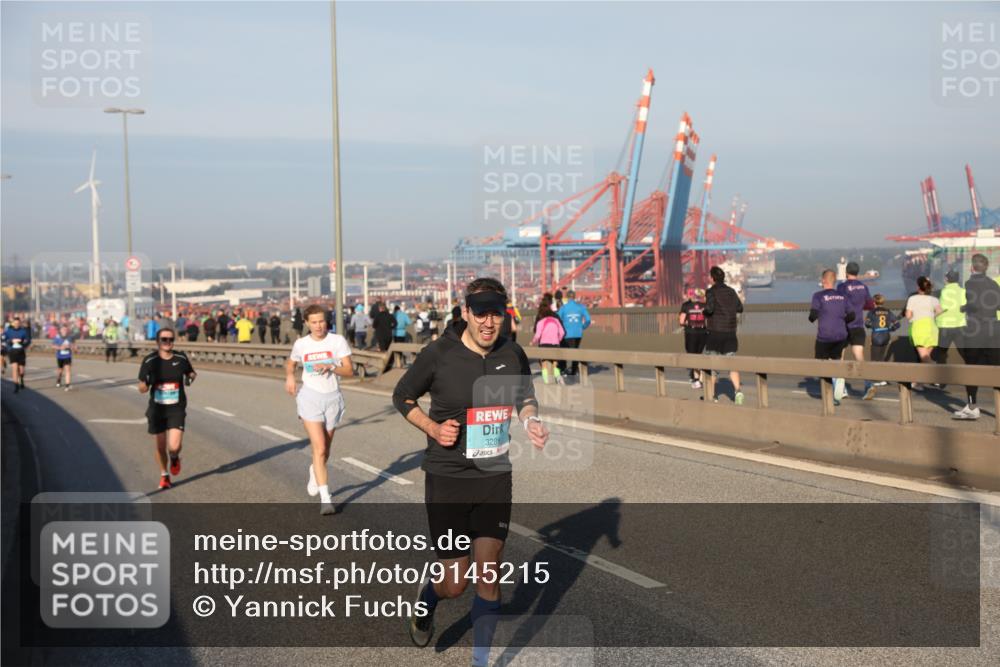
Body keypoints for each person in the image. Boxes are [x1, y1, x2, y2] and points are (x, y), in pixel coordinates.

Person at [392, 277, 548, 661]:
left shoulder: (512, 354)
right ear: (466, 313)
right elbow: (402, 395)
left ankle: (481, 660)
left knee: (489, 574)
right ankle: (429, 598)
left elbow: (526, 396)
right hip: (447, 480)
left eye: (496, 314)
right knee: (455, 583)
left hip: (494, 477)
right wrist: (432, 427)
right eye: (481, 314)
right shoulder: (439, 354)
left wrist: (529, 420)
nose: (489, 323)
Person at [285, 304, 353, 514]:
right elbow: (291, 363)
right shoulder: (301, 344)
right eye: (313, 322)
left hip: (332, 398)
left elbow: (349, 370)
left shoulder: (337, 341)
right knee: (320, 447)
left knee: (326, 450)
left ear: (327, 321)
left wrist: (331, 366)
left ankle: (315, 469)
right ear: (306, 323)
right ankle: (326, 499)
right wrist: (289, 378)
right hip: (309, 397)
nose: (318, 326)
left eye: (321, 321)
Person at [138, 328, 196, 490]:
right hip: (157, 409)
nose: (168, 342)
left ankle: (175, 457)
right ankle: (164, 475)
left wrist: (190, 378)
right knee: (160, 446)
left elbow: (192, 373)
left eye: (171, 339)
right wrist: (144, 386)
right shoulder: (150, 360)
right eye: (164, 339)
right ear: (158, 341)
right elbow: (141, 385)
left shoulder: (180, 357)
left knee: (174, 446)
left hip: (176, 407)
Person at [954, 253, 1000, 420]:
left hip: (976, 330)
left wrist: (965, 308)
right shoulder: (993, 283)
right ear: (986, 267)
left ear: (972, 267)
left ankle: (972, 406)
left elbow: (974, 304)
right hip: (994, 330)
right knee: (997, 370)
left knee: (971, 369)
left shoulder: (970, 282)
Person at [809, 270, 854, 406]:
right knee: (835, 360)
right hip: (841, 335)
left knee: (821, 364)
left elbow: (813, 315)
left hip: (824, 336)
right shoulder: (843, 296)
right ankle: (839, 380)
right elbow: (852, 315)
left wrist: (812, 318)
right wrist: (840, 320)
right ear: (834, 281)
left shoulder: (818, 296)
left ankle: (831, 392)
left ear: (823, 280)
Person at [703, 265, 745, 405]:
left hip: (715, 333)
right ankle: (738, 392)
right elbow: (740, 308)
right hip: (730, 333)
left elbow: (709, 309)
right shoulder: (731, 291)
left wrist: (704, 313)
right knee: (732, 364)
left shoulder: (711, 292)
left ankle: (712, 395)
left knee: (713, 366)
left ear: (712, 278)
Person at [837, 261, 874, 395]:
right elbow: (870, 305)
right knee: (859, 356)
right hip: (858, 325)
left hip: (844, 326)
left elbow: (838, 303)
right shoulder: (863, 287)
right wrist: (859, 306)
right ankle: (868, 383)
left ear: (846, 272)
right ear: (857, 273)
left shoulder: (842, 287)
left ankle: (841, 389)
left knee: (839, 356)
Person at [904, 276, 942, 391]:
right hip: (932, 327)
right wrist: (930, 316)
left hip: (919, 328)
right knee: (925, 358)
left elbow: (908, 315)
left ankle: (938, 373)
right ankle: (917, 382)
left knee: (924, 357)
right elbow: (939, 311)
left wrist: (913, 317)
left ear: (918, 287)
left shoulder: (913, 298)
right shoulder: (934, 299)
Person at [863, 294, 900, 400]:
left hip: (876, 335)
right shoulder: (888, 311)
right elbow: (897, 324)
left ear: (874, 302)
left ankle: (876, 379)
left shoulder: (872, 312)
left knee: (874, 358)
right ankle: (883, 378)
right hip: (886, 335)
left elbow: (867, 324)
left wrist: (872, 325)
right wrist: (890, 329)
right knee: (882, 357)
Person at [934, 270, 966, 369]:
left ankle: (940, 380)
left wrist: (932, 316)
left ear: (946, 279)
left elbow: (941, 309)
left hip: (945, 326)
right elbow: (964, 306)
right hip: (959, 325)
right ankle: (975, 374)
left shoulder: (943, 292)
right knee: (964, 352)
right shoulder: (963, 291)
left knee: (941, 352)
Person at [679, 288, 708, 388]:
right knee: (699, 355)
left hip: (691, 332)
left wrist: (688, 322)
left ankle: (696, 380)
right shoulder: (705, 306)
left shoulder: (686, 305)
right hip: (703, 332)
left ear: (691, 296)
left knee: (692, 356)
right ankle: (699, 378)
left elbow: (681, 321)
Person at [557, 289, 590, 377]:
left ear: (567, 297)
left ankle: (563, 369)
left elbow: (557, 319)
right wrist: (582, 327)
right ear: (574, 297)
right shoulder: (581, 307)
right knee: (575, 351)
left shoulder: (563, 308)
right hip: (578, 333)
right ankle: (574, 371)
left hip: (566, 334)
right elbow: (588, 320)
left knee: (563, 352)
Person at [532, 301, 566, 385]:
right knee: (555, 363)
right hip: (555, 344)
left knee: (544, 364)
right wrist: (558, 339)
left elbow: (537, 335)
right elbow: (562, 332)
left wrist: (532, 342)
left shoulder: (541, 322)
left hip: (544, 344)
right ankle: (558, 377)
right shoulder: (556, 320)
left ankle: (546, 382)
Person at [3, 316, 31, 393]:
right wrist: (11, 342)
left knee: (21, 370)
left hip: (21, 351)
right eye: (15, 323)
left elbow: (28, 340)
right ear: (13, 323)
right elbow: (4, 339)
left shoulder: (23, 331)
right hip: (12, 352)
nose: (16, 324)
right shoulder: (8, 331)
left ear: (20, 323)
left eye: (18, 323)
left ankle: (21, 378)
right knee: (14, 368)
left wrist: (22, 343)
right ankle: (16, 385)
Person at [52, 325, 75, 391]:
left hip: (68, 356)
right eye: (63, 329)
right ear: (60, 330)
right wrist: (60, 348)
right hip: (60, 356)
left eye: (66, 330)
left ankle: (67, 385)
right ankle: (58, 379)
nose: (64, 331)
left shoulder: (70, 337)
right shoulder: (57, 337)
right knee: (60, 370)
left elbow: (74, 346)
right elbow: (53, 346)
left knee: (67, 370)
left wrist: (70, 346)